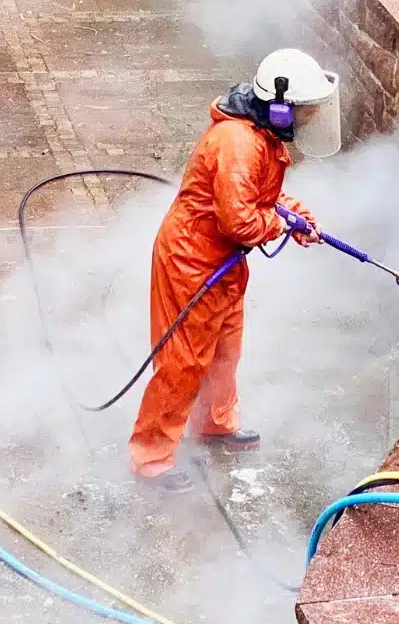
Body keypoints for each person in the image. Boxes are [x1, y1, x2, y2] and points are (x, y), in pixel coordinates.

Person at [130, 48, 342, 493]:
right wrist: (282, 223)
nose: (308, 119)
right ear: (280, 107)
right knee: (183, 361)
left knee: (225, 348)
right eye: (305, 111)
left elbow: (259, 199)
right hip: (192, 260)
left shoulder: (261, 136)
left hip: (223, 262)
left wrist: (296, 215)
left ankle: (215, 424)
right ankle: (151, 458)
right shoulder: (239, 144)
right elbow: (241, 221)